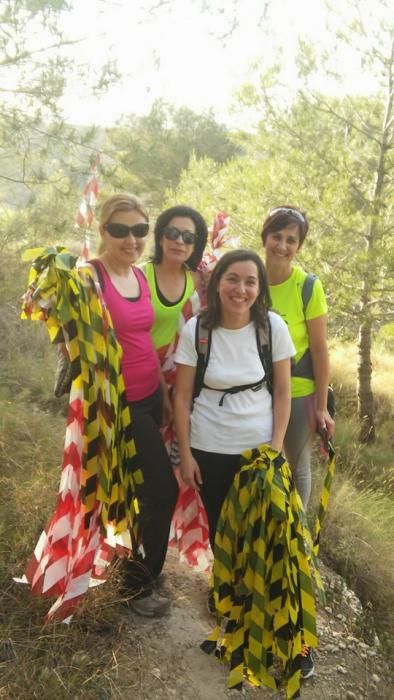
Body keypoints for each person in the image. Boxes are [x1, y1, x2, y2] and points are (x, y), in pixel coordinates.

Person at [174, 248, 295, 573]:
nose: (240, 290)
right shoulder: (196, 330)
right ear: (217, 284)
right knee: (219, 523)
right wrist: (185, 455)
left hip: (258, 450)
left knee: (256, 526)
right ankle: (225, 589)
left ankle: (252, 595)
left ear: (260, 289)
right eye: (232, 279)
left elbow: (284, 391)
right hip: (209, 446)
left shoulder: (272, 327)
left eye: (250, 282)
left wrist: (276, 447)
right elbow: (182, 397)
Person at [92, 193, 179, 617]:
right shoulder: (90, 276)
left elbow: (145, 339)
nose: (132, 239)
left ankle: (137, 568)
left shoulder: (139, 277)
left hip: (149, 395)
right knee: (162, 490)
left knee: (136, 492)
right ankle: (137, 587)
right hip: (119, 404)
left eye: (140, 230)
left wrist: (163, 393)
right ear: (103, 231)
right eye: (121, 230)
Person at [261, 205, 335, 678]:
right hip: (253, 392)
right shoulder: (248, 274)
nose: (284, 246)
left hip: (302, 393)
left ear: (299, 246)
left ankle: (297, 535)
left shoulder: (308, 286)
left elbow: (321, 348)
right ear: (264, 236)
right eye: (278, 236)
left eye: (292, 240)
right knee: (261, 468)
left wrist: (323, 407)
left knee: (295, 468)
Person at [141, 205, 210, 567]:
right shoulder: (141, 277)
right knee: (145, 475)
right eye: (172, 233)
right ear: (160, 236)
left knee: (172, 473)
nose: (179, 241)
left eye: (189, 236)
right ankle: (129, 551)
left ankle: (158, 549)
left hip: (183, 386)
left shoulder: (202, 282)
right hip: (141, 385)